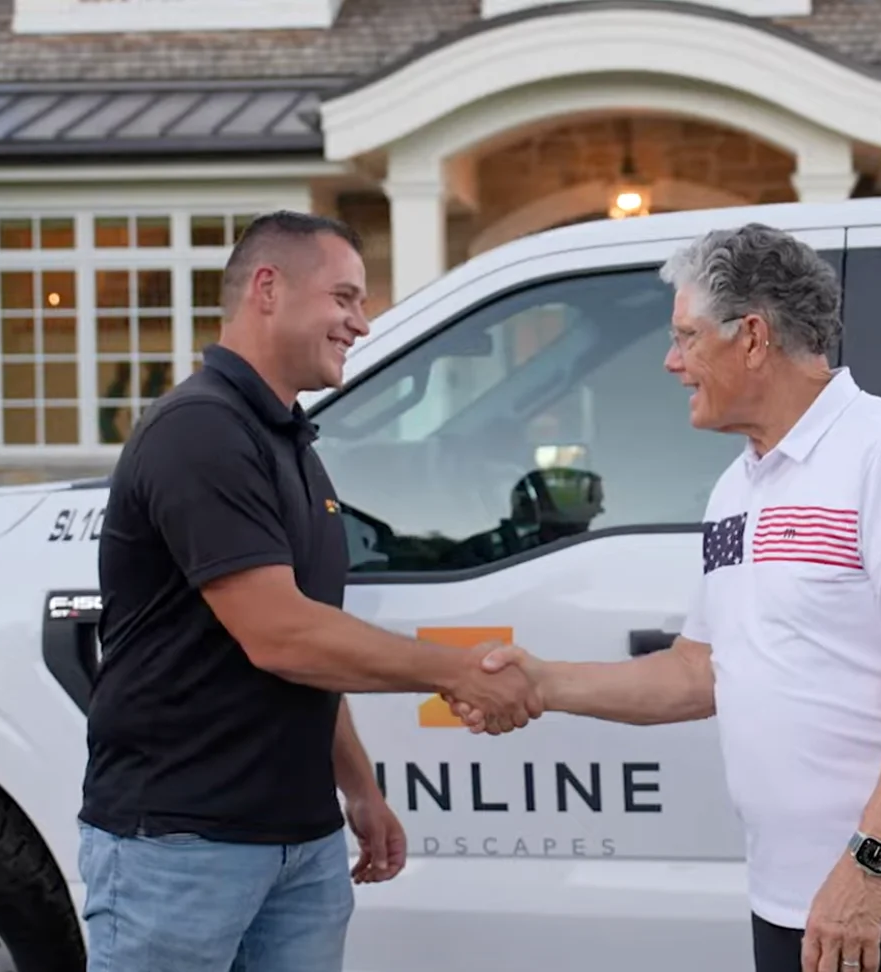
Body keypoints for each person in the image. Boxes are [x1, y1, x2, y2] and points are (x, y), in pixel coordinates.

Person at [450, 223, 881, 972]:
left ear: (752, 337)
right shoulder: (738, 486)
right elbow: (700, 671)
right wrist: (542, 682)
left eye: (686, 337)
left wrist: (869, 866)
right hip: (794, 901)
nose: (672, 362)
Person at [79, 211, 543, 972]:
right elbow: (280, 635)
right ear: (268, 289)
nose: (361, 323)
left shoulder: (287, 439)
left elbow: (314, 644)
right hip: (182, 846)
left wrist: (358, 790)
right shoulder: (199, 430)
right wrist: (458, 671)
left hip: (300, 844)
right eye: (344, 298)